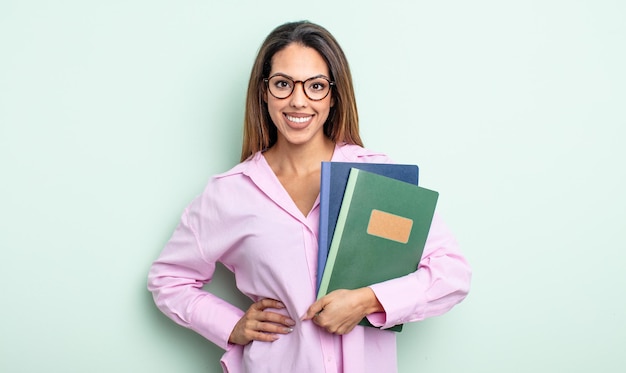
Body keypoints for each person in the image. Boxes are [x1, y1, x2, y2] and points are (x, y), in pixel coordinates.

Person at [147, 20, 471, 373]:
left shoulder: (378, 179)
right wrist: (231, 326)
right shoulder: (229, 193)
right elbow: (168, 279)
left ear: (333, 95)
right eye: (283, 84)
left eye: (315, 86)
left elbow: (451, 273)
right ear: (264, 92)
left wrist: (366, 301)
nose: (298, 101)